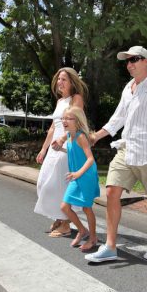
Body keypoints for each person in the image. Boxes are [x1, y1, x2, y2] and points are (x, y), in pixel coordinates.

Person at [82, 45, 147, 262]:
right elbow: (117, 119)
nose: (130, 64)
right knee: (111, 192)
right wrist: (96, 136)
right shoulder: (128, 88)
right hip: (126, 149)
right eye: (127, 61)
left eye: (135, 59)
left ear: (146, 61)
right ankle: (110, 246)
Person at [34, 67, 88, 237]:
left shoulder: (76, 98)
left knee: (58, 184)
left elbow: (76, 123)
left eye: (64, 79)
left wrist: (63, 139)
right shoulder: (59, 102)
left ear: (72, 82)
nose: (60, 82)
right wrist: (43, 149)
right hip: (54, 147)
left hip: (67, 146)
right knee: (43, 182)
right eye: (58, 79)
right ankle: (59, 217)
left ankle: (65, 223)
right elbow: (52, 128)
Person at [59, 106, 100, 251]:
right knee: (64, 206)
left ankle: (93, 237)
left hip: (86, 175)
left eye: (68, 118)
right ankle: (83, 230)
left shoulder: (81, 137)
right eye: (63, 118)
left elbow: (90, 159)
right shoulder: (70, 137)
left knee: (86, 208)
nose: (64, 121)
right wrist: (61, 149)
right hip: (76, 176)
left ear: (77, 121)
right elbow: (76, 154)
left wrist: (78, 173)